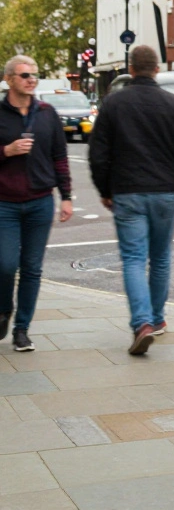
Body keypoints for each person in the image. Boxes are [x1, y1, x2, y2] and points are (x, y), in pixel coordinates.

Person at [89, 46, 174, 356]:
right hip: (165, 193)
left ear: (131, 68)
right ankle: (157, 318)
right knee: (161, 257)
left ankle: (142, 323)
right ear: (157, 69)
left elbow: (98, 154)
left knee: (134, 259)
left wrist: (104, 189)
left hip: (127, 192)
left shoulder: (113, 103)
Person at [0, 56, 74, 352]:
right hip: (4, 203)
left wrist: (66, 196)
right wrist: (7, 150)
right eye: (25, 75)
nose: (32, 79)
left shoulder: (47, 113)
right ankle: (4, 308)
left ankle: (22, 329)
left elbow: (60, 157)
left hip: (40, 201)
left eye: (35, 75)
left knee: (32, 269)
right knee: (5, 266)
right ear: (8, 79)